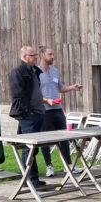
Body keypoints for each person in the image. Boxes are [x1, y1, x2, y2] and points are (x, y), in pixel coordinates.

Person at [37, 46, 82, 177]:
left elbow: (60, 88)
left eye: (53, 54)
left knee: (64, 137)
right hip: (44, 110)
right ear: (42, 55)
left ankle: (68, 165)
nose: (53, 57)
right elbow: (35, 94)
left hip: (57, 109)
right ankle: (49, 166)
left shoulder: (55, 71)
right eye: (50, 54)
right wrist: (46, 101)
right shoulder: (36, 72)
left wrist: (72, 87)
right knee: (45, 139)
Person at [8, 46, 46, 188]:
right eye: (33, 55)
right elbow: (18, 95)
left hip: (38, 113)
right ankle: (30, 179)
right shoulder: (18, 72)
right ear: (24, 57)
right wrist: (28, 111)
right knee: (29, 147)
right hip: (28, 115)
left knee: (33, 147)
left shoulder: (34, 71)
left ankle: (31, 178)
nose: (36, 57)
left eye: (36, 55)